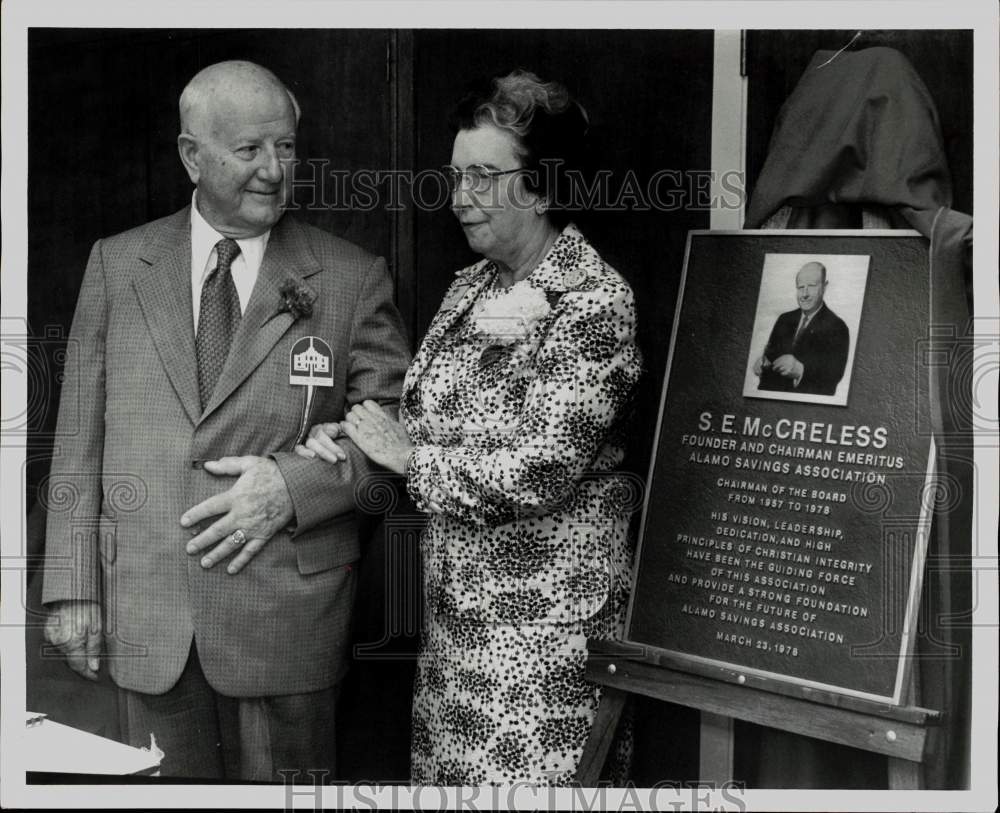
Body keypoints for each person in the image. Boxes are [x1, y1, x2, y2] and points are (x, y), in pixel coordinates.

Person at [40, 60, 410, 780]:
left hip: (288, 618)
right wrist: (71, 586)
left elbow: (396, 426)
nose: (275, 170)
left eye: (288, 148)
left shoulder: (350, 275)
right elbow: (78, 437)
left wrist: (292, 484)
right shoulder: (118, 266)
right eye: (250, 150)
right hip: (145, 612)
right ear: (191, 155)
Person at [298, 69, 643, 786]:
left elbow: (537, 469)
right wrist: (358, 431)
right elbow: (426, 420)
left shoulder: (593, 301)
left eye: (485, 177)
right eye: (457, 177)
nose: (462, 197)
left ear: (543, 185)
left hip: (544, 641)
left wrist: (404, 456)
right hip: (458, 630)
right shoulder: (472, 285)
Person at [754, 261, 850, 396]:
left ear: (824, 287)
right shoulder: (784, 319)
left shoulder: (838, 327)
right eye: (800, 287)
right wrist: (763, 364)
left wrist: (801, 371)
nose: (804, 294)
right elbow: (770, 357)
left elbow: (833, 377)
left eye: (811, 286)